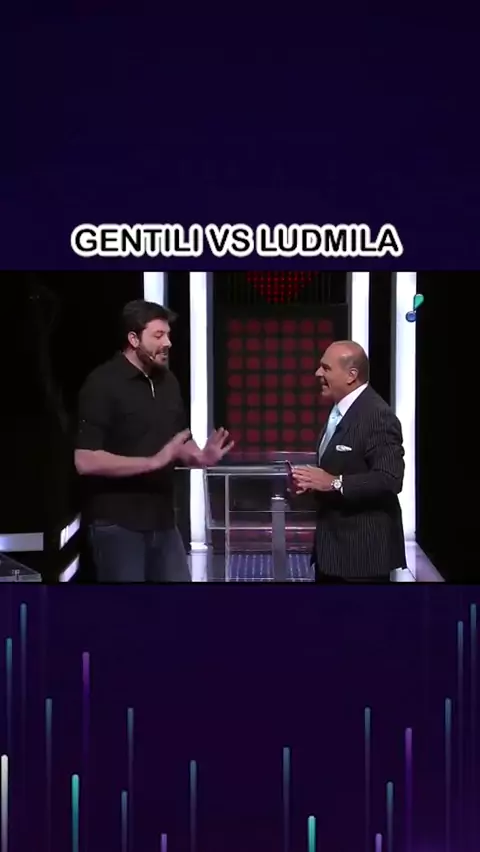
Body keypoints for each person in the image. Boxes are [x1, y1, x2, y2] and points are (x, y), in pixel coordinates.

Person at [74, 299, 234, 582]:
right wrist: (153, 462)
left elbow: (179, 438)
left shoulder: (168, 382)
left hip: (163, 522)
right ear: (133, 339)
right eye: (158, 335)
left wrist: (198, 457)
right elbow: (85, 460)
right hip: (117, 525)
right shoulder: (102, 383)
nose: (168, 343)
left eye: (168, 335)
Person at [292, 340, 406, 582]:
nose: (318, 373)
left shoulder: (377, 416)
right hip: (333, 553)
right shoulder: (340, 411)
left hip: (361, 560)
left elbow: (390, 478)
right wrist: (313, 483)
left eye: (326, 368)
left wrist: (334, 482)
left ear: (351, 375)